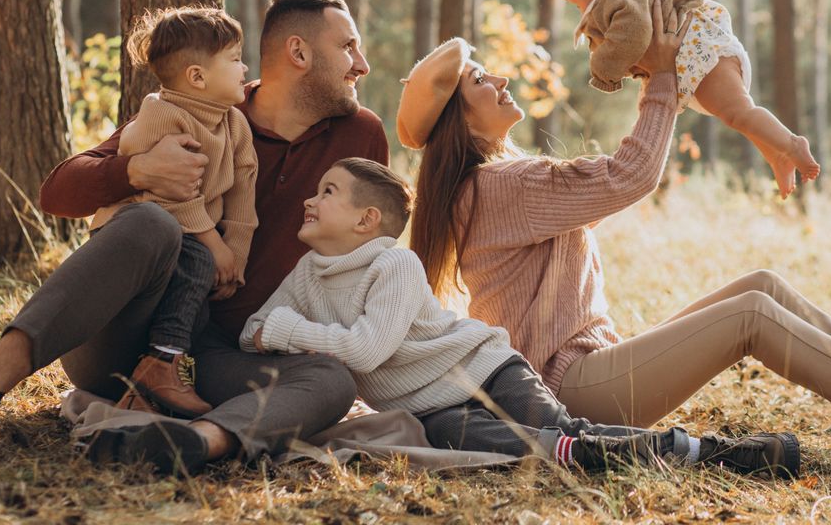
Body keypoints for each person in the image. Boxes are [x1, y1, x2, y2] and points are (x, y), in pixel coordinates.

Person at [395, 0, 831, 443]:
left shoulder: (495, 183)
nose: (500, 77)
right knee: (751, 317)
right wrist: (664, 78)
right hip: (571, 392)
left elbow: (617, 173)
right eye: (482, 78)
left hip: (590, 367)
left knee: (763, 286)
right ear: (459, 116)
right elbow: (630, 174)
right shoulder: (501, 185)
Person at [0, 0, 389, 475]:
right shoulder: (201, 106)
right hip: (124, 337)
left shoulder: (360, 136)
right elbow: (57, 193)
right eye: (348, 47)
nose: (362, 65)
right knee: (150, 221)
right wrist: (135, 171)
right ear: (299, 53)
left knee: (331, 381)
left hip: (225, 358)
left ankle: (190, 442)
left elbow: (369, 255)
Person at [240, 157, 801, 478]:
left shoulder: (394, 264)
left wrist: (287, 333)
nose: (310, 201)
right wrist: (274, 330)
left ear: (366, 220)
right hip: (430, 410)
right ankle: (658, 454)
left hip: (485, 367)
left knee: (561, 430)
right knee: (538, 450)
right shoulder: (307, 274)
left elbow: (363, 350)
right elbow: (250, 330)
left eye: (327, 191)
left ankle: (722, 453)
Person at [533, 0, 819, 198]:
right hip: (695, 58)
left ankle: (792, 144)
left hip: (702, 54)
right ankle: (777, 155)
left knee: (739, 113)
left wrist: (603, 68)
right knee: (737, 114)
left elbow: (633, 33)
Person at [86, 6, 257, 418]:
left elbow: (242, 194)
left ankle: (151, 388)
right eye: (234, 60)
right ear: (197, 77)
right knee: (196, 260)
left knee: (196, 301)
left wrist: (234, 256)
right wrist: (213, 244)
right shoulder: (161, 114)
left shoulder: (234, 123)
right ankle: (161, 366)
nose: (245, 67)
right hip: (142, 230)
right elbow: (169, 196)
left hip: (191, 239)